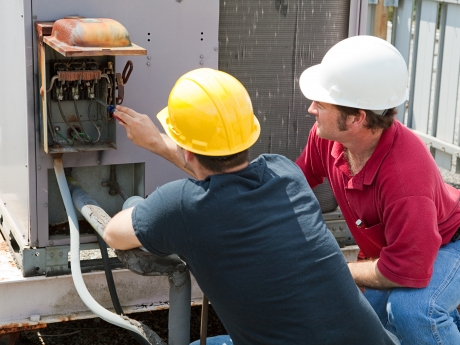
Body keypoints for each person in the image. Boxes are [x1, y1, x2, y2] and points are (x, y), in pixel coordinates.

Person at [103, 68, 398, 345]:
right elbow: (226, 183)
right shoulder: (285, 173)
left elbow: (114, 233)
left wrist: (143, 208)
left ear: (187, 150)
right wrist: (158, 143)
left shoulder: (180, 206)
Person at [296, 35, 460, 345]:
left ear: (356, 118)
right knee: (359, 323)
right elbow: (293, 184)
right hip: (405, 249)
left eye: (321, 102)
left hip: (451, 243)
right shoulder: (327, 137)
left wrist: (333, 269)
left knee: (412, 311)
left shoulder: (404, 175)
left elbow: (403, 271)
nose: (311, 108)